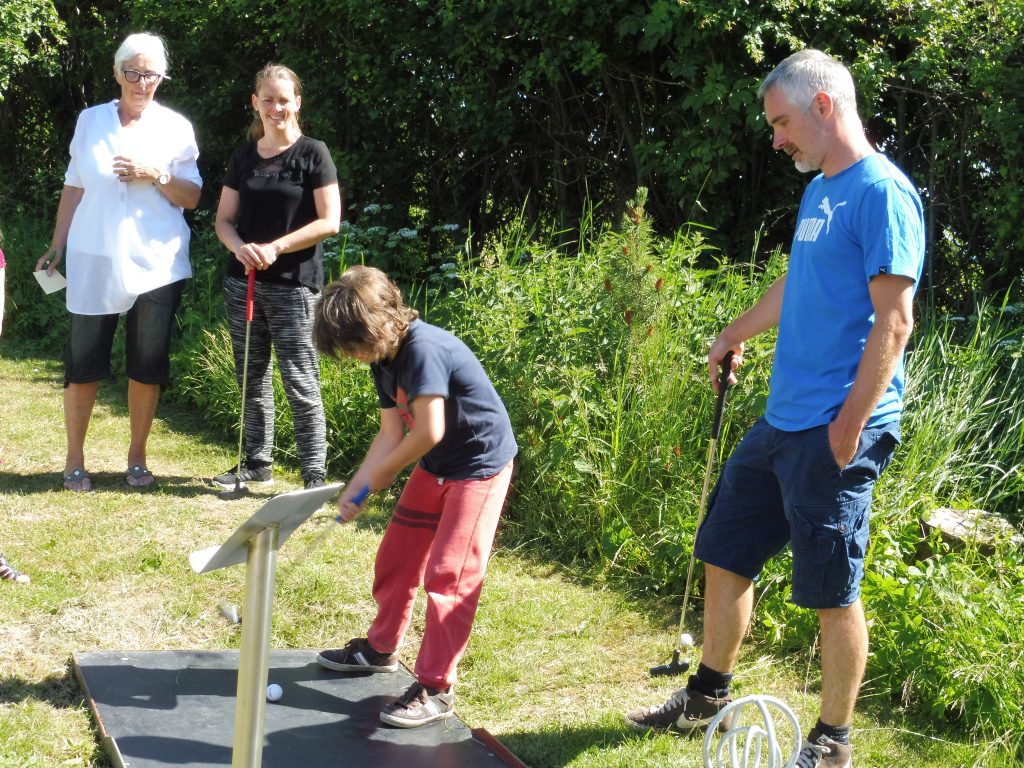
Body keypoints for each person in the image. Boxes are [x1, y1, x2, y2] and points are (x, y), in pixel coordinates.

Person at [625, 49, 925, 768]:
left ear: (824, 106)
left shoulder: (881, 191)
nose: (776, 138)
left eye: (782, 122)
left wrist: (850, 422)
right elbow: (798, 283)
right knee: (725, 550)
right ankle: (705, 697)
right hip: (781, 420)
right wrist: (733, 331)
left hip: (835, 427)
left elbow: (896, 321)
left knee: (831, 588)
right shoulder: (820, 190)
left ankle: (832, 744)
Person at [311, 266, 517, 728]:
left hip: (478, 466)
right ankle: (382, 649)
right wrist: (358, 485)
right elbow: (391, 432)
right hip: (437, 465)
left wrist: (377, 479)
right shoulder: (382, 359)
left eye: (351, 344)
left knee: (450, 574)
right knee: (397, 557)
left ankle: (436, 686)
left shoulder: (422, 350)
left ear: (379, 323)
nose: (350, 355)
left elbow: (429, 430)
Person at [35, 33, 202, 492]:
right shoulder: (91, 122)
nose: (141, 82)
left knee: (147, 362)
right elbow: (74, 185)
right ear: (117, 72)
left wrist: (156, 174)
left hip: (158, 262)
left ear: (161, 77)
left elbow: (192, 196)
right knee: (82, 360)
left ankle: (137, 459)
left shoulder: (176, 127)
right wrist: (57, 243)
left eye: (150, 74)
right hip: (94, 258)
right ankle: (73, 460)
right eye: (133, 71)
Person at [212, 64, 340, 491]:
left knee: (300, 378)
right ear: (255, 103)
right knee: (251, 375)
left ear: (297, 103)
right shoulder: (244, 156)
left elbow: (330, 221)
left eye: (283, 99)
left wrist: (276, 247)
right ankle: (256, 462)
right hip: (243, 283)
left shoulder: (313, 153)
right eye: (267, 99)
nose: (275, 107)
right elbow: (224, 221)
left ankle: (313, 475)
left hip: (294, 286)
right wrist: (239, 248)